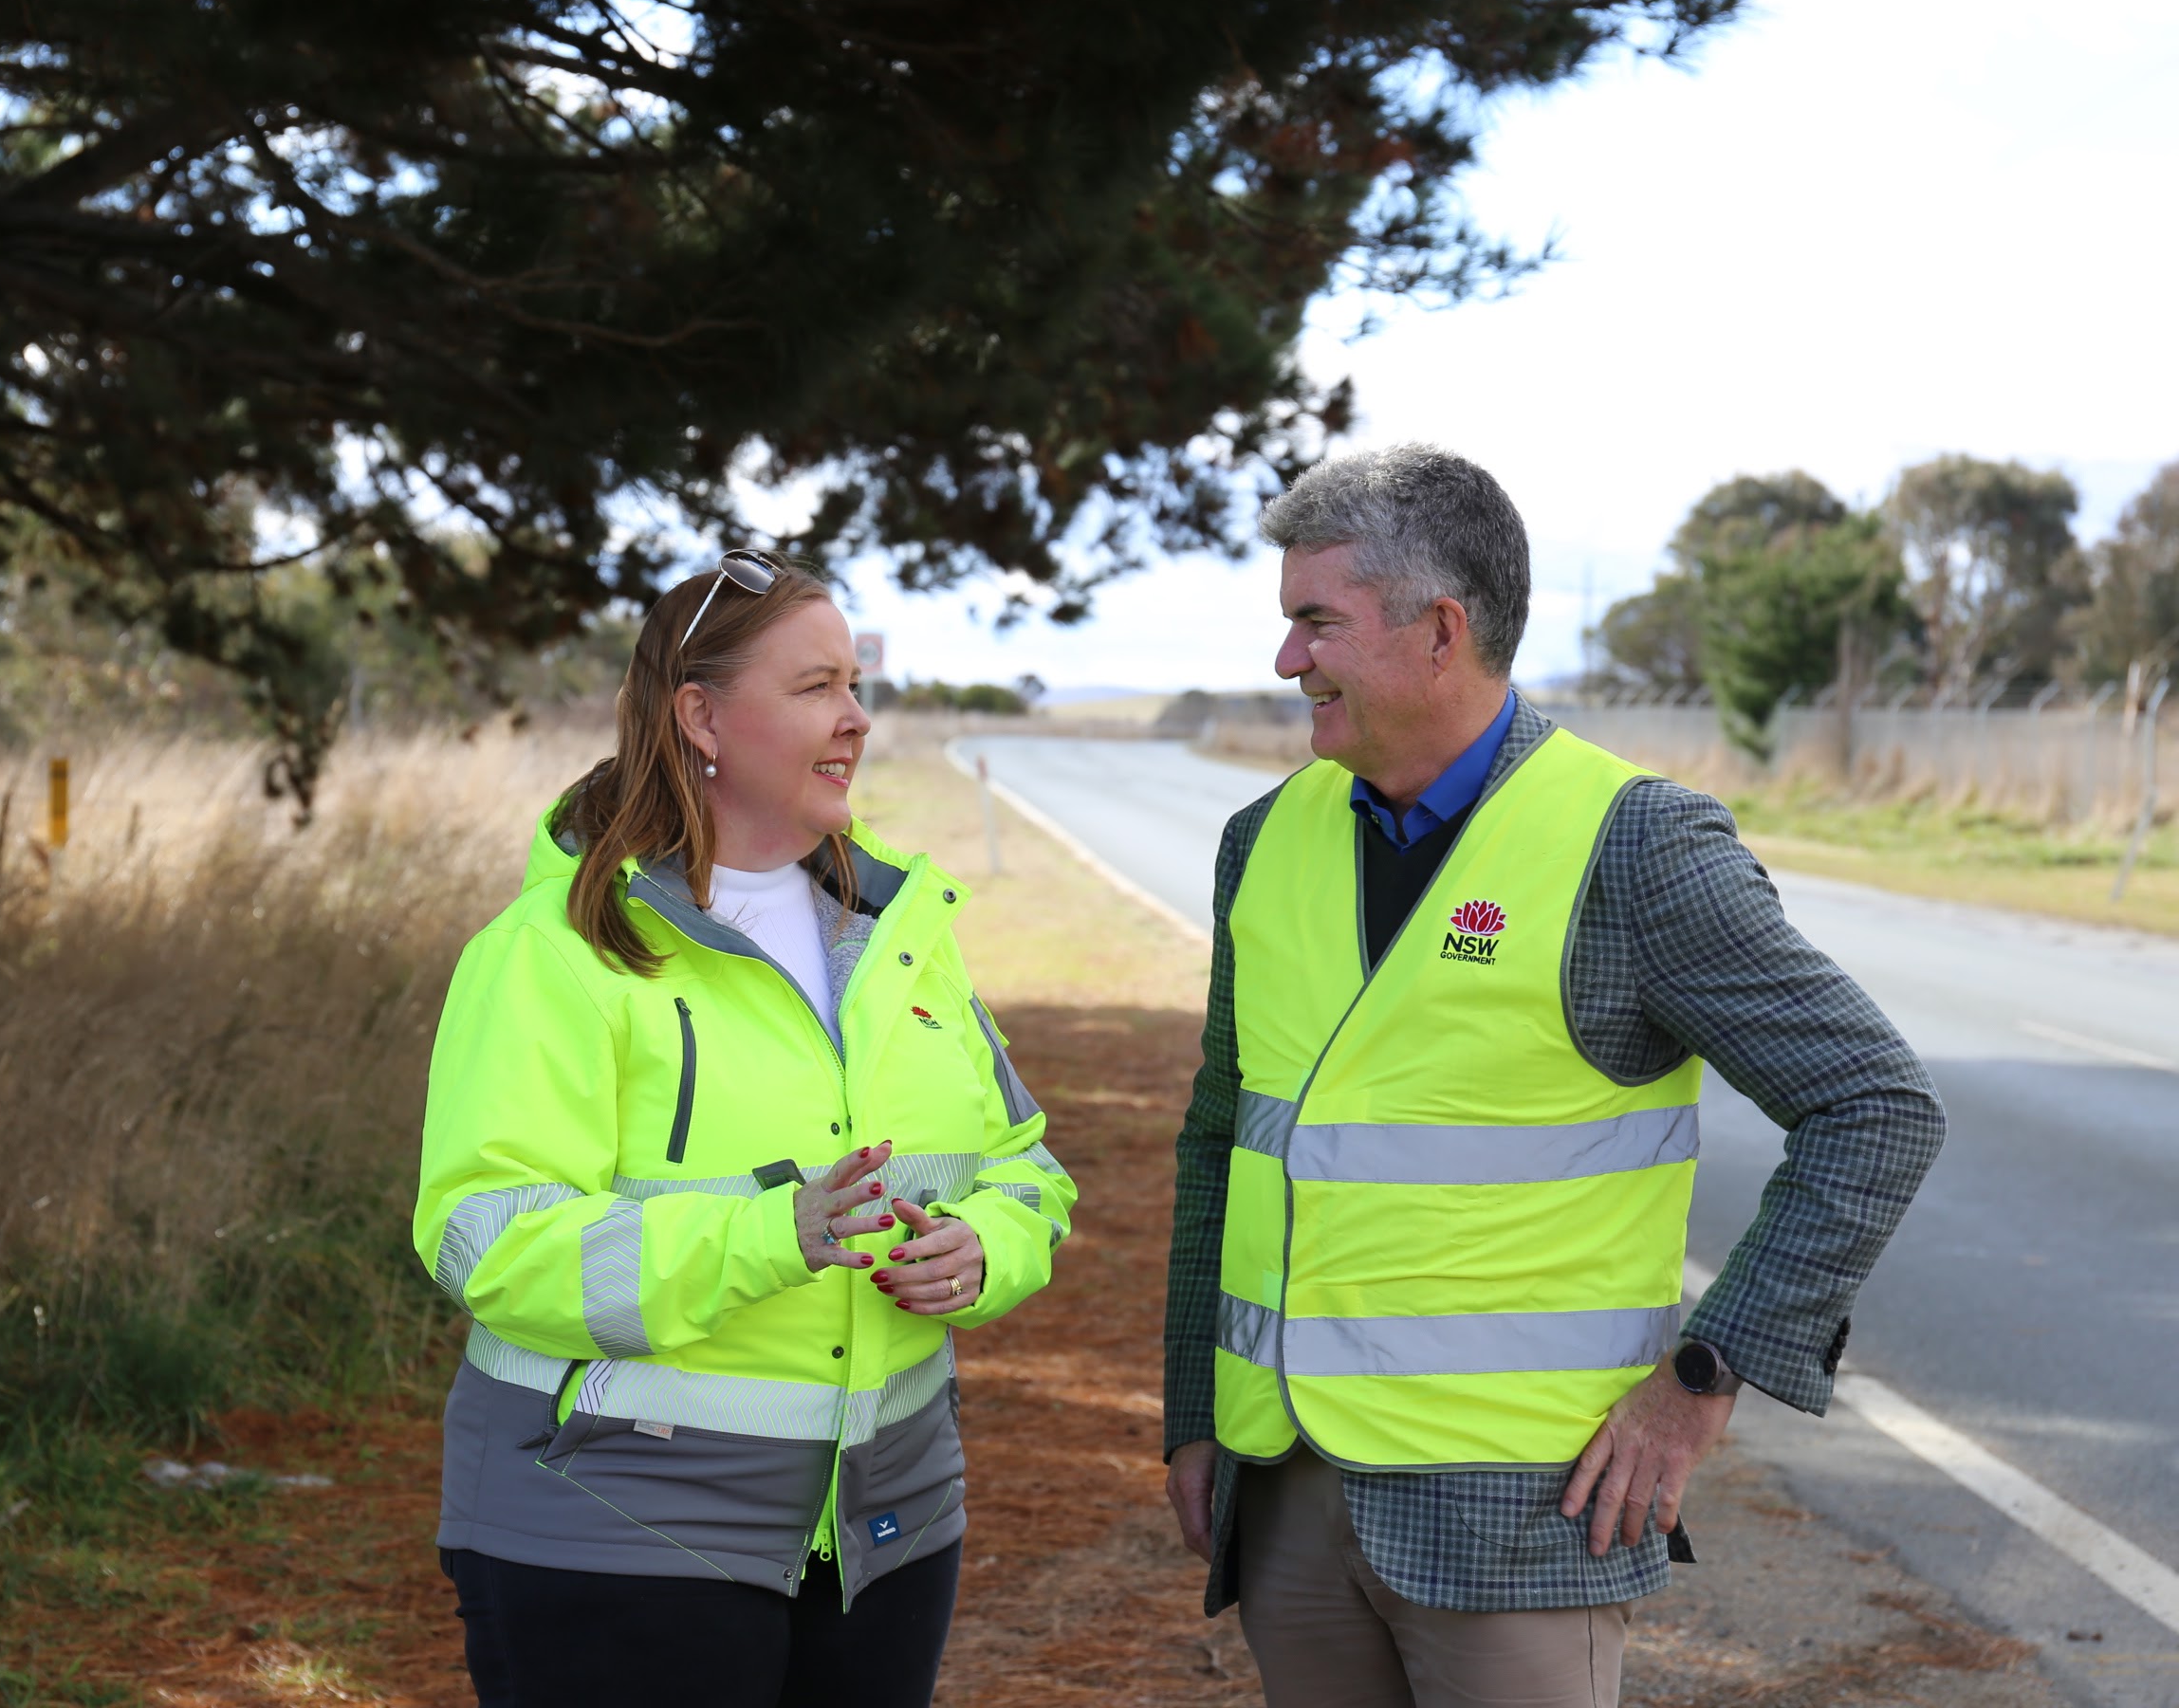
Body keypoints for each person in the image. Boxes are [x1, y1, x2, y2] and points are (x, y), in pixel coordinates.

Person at [1162, 447, 1945, 1708]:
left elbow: (1875, 1108)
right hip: (1285, 1493)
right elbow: (1221, 1143)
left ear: (1440, 632)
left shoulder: (1635, 844)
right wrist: (1194, 1410)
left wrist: (1703, 1383)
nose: (1288, 661)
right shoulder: (1261, 842)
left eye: (1316, 622)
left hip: (1523, 1516)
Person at [415, 550, 1074, 1708]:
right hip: (615, 1525)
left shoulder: (901, 937)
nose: (857, 718)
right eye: (817, 686)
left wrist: (983, 1252)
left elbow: (1024, 1169)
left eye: (857, 684)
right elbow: (489, 1240)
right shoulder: (552, 956)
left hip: (888, 1525)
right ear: (700, 715)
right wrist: (779, 1235)